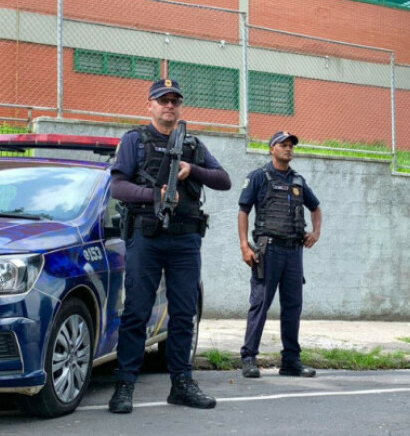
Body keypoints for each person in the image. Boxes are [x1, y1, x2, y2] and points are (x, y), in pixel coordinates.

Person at [108, 78, 232, 414]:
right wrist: (154, 195)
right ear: (149, 105)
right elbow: (117, 186)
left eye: (175, 101)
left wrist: (193, 170)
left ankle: (181, 384)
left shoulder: (192, 144)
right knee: (136, 312)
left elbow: (224, 180)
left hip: (185, 240)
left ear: (180, 107)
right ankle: (124, 385)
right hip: (147, 238)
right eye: (163, 100)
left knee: (183, 314)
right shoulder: (135, 140)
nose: (169, 106)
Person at [237, 131, 322, 379]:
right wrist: (245, 246)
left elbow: (316, 207)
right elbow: (243, 211)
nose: (288, 149)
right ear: (272, 149)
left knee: (293, 306)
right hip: (268, 250)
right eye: (283, 145)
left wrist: (316, 232)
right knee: (260, 304)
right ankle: (249, 359)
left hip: (294, 251)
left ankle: (291, 362)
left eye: (291, 146)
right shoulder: (258, 177)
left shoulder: (298, 181)